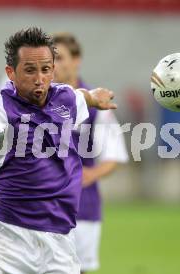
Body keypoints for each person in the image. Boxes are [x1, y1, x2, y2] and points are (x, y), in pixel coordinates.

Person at [0, 27, 117, 274]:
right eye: (30, 70)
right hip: (3, 241)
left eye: (45, 69)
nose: (40, 78)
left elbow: (82, 97)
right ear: (11, 72)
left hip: (58, 246)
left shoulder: (65, 98)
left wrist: (96, 97)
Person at [53, 32, 129, 273]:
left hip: (81, 208)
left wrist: (90, 174)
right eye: (51, 58)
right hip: (42, 206)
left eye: (60, 57)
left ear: (76, 60)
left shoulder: (96, 103)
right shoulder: (40, 100)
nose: (54, 64)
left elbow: (114, 155)